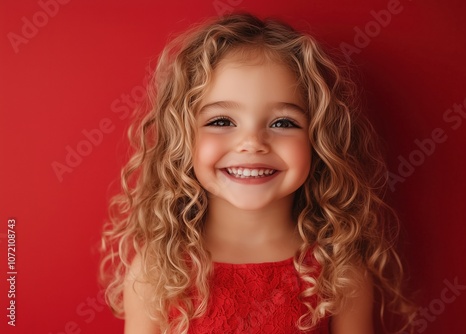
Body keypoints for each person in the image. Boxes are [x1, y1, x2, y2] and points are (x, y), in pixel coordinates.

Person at [100, 13, 415, 334]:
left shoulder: (340, 272)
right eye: (221, 121)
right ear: (182, 139)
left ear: (319, 140)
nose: (252, 143)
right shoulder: (158, 271)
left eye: (282, 123)